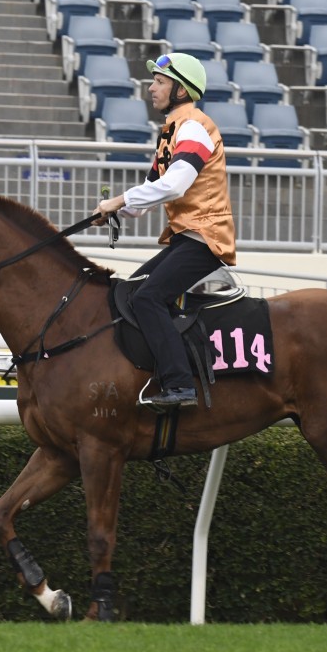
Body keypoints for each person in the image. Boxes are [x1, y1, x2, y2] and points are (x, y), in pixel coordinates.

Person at [93, 52, 237, 408]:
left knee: (146, 297)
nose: (150, 88)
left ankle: (180, 384)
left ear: (181, 91)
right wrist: (114, 210)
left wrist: (119, 200)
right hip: (187, 237)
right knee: (129, 293)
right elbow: (143, 204)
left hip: (205, 238)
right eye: (154, 81)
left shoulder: (194, 128)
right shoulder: (171, 133)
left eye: (159, 82)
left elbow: (175, 185)